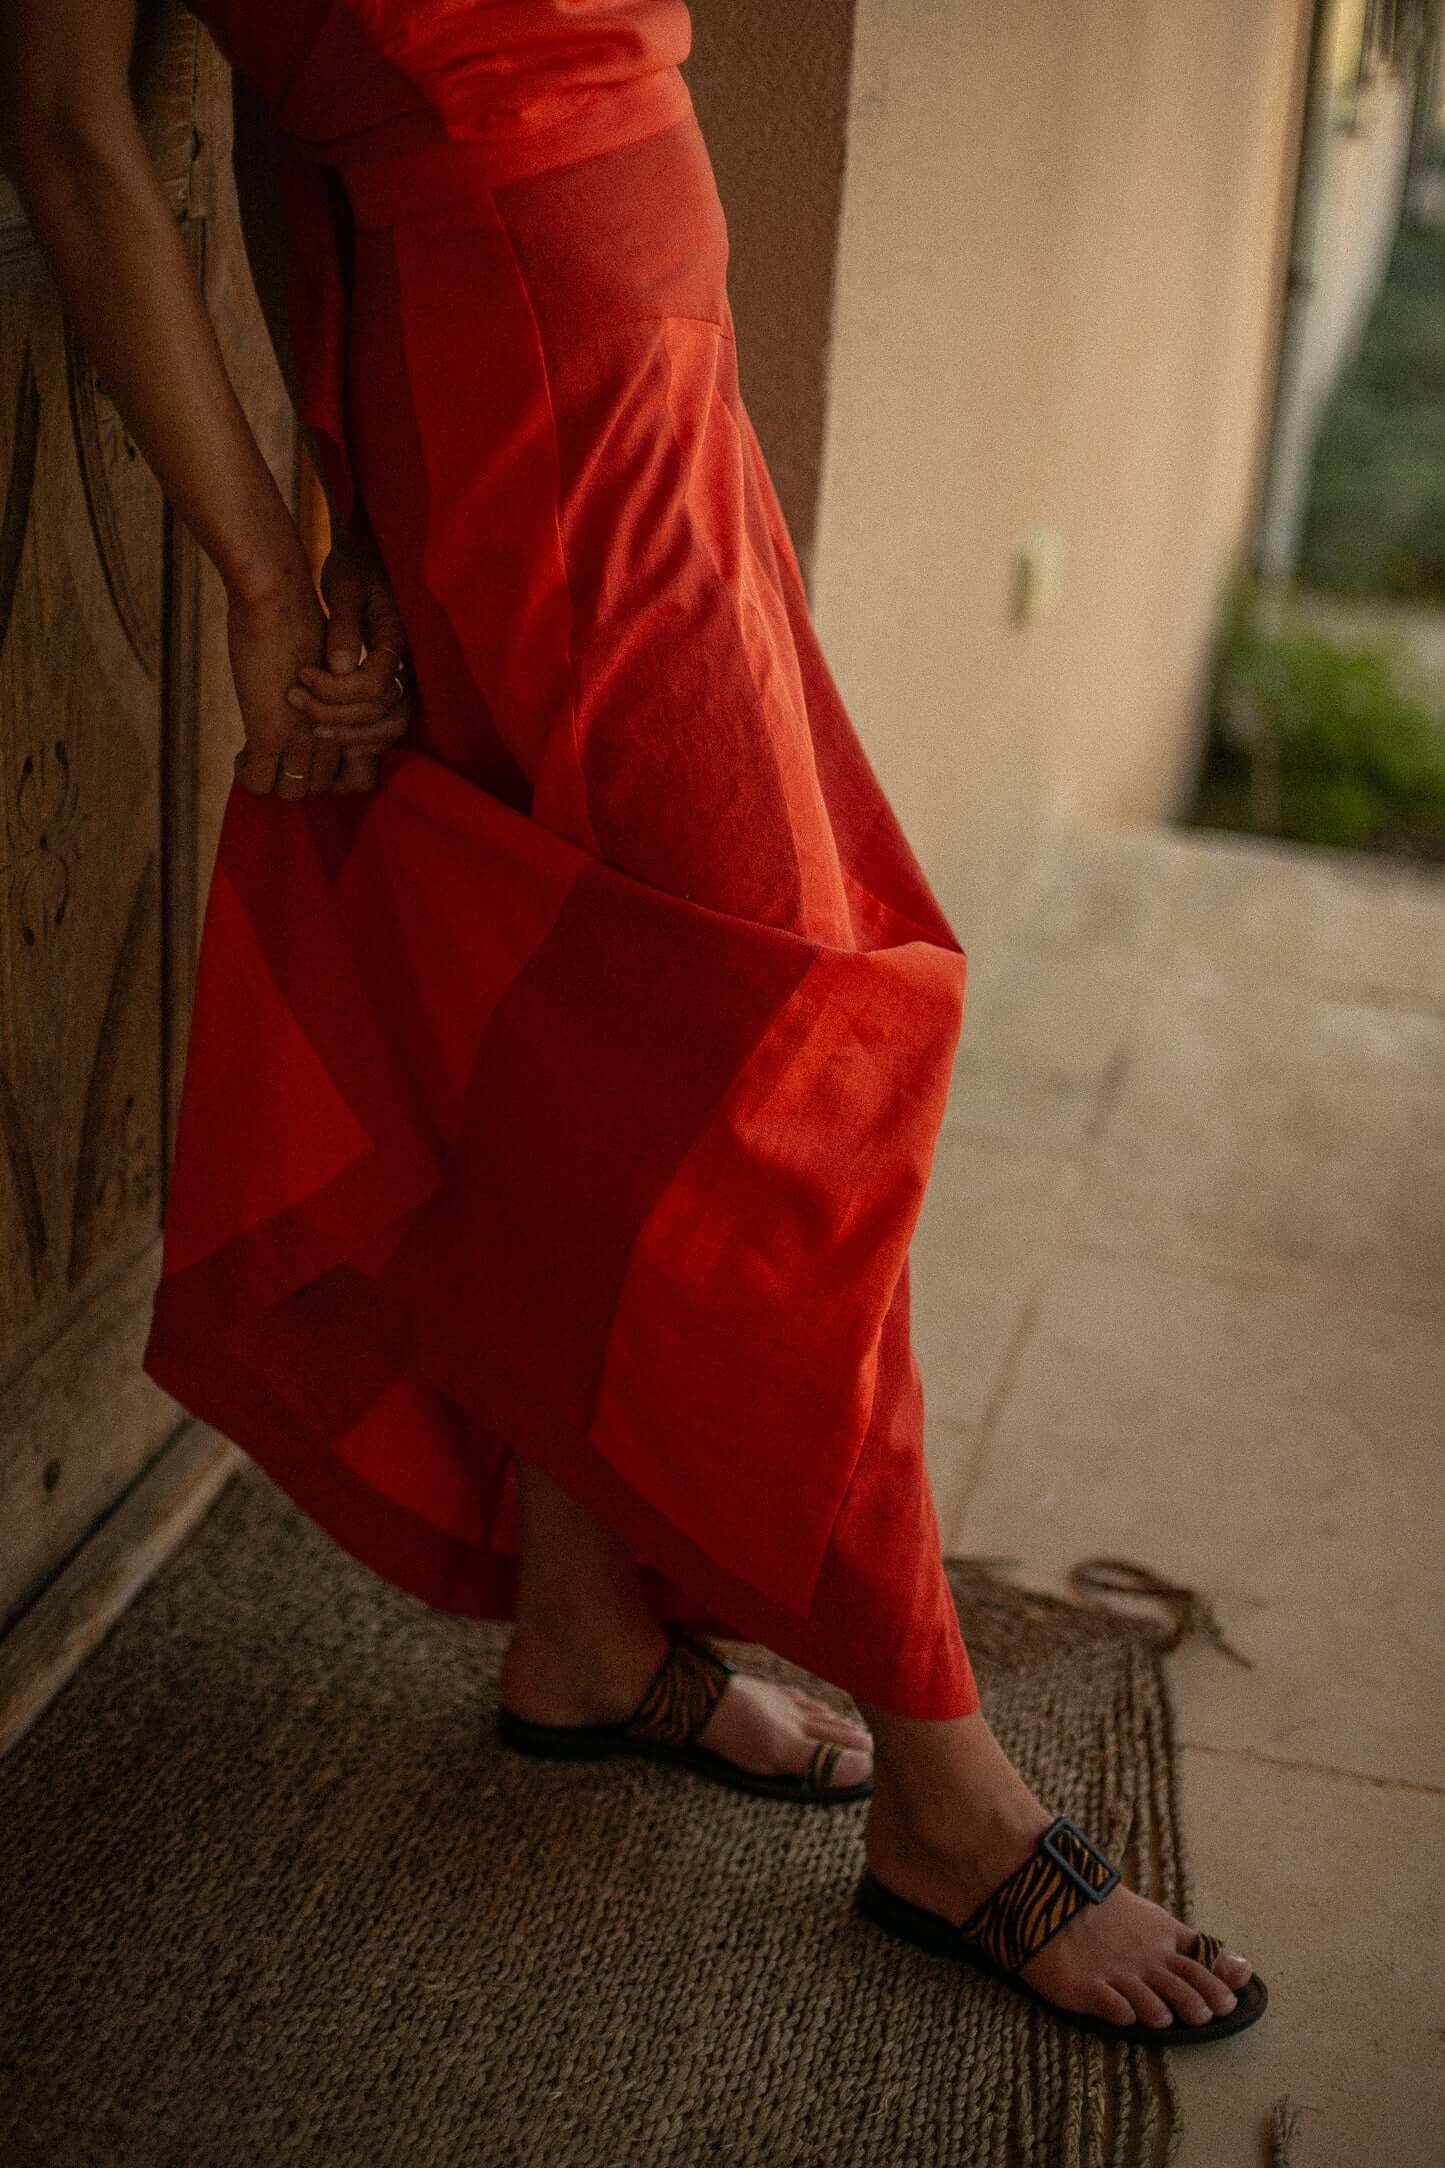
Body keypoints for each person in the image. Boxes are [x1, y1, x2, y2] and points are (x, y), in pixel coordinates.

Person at [0, 0, 1264, 2049]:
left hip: (616, 352)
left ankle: (584, 1631)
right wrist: (269, 570)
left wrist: (351, 482)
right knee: (778, 1054)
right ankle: (947, 1794)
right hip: (547, 381)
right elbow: (71, 124)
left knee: (583, 1009)